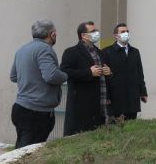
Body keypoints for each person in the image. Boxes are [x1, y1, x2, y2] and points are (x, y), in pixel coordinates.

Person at [10, 20, 68, 148]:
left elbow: (13, 76)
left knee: (21, 149)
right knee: (29, 153)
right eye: (55, 33)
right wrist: (65, 75)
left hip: (20, 107)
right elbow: (51, 75)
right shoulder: (45, 50)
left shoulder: (22, 49)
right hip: (37, 112)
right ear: (52, 34)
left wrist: (30, 79)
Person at [60, 21, 111, 136]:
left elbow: (105, 74)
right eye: (93, 31)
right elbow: (64, 72)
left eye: (96, 31)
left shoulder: (100, 53)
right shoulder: (71, 52)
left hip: (100, 105)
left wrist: (109, 72)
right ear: (83, 35)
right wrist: (88, 72)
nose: (96, 33)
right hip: (81, 107)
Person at [103, 23, 148, 120]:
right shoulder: (107, 52)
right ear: (116, 36)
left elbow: (140, 73)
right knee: (115, 126)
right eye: (123, 32)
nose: (126, 33)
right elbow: (105, 77)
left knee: (131, 126)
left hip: (132, 96)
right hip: (116, 97)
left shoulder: (135, 52)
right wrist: (107, 97)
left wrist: (143, 92)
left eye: (127, 31)